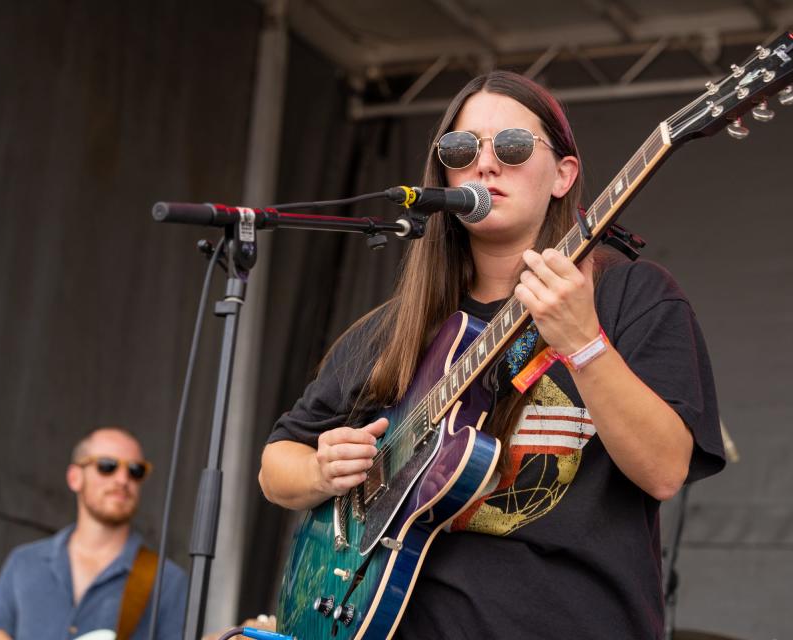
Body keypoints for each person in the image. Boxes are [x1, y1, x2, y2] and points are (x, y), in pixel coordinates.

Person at [259, 71, 725, 638]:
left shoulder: (633, 297)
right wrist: (320, 469)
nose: (485, 164)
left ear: (563, 175)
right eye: (462, 149)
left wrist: (584, 343)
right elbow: (276, 464)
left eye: (512, 146)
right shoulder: (397, 328)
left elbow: (663, 470)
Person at [0, 427, 188, 639]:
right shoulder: (24, 562)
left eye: (135, 471)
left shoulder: (168, 581)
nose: (123, 479)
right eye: (107, 466)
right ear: (74, 478)